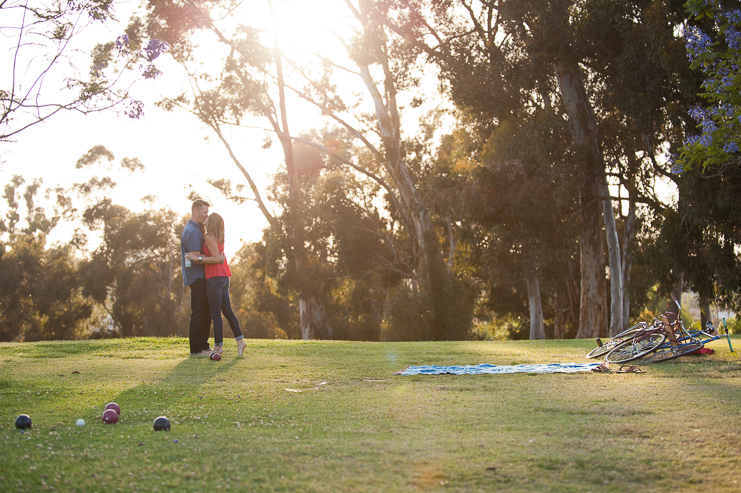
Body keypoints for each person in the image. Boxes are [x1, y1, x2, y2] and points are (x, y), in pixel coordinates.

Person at [187, 213, 247, 356]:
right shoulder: (218, 237)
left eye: (208, 217)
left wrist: (197, 258)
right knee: (228, 312)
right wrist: (212, 258)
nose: (205, 218)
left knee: (216, 314)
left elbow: (216, 259)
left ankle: (219, 347)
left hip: (215, 277)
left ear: (211, 222)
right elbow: (217, 257)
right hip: (224, 276)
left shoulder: (209, 237)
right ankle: (240, 342)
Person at [180, 199, 224, 356]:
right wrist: (216, 257)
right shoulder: (192, 232)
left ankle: (204, 347)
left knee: (205, 311)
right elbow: (196, 257)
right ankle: (197, 349)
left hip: (202, 276)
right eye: (205, 212)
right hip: (197, 277)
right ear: (195, 212)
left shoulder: (198, 229)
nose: (207, 215)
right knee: (199, 312)